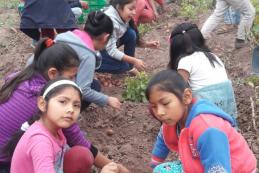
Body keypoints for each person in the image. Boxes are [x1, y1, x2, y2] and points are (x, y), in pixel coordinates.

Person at [146, 69, 257, 172]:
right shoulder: (172, 119)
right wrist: (154, 165)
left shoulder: (207, 128)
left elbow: (218, 169)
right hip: (202, 164)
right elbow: (163, 140)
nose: (160, 112)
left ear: (186, 97)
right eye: (154, 106)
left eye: (165, 103)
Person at [0, 38, 79, 172]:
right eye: (71, 77)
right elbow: (76, 137)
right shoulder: (44, 98)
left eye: (76, 105)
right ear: (52, 73)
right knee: (79, 156)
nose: (74, 82)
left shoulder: (20, 76)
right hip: (5, 163)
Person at [168, 22, 237, 119]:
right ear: (200, 40)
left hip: (205, 108)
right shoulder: (213, 56)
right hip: (226, 105)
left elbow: (179, 89)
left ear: (175, 48)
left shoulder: (185, 61)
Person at [55, 11, 122, 110]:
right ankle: (64, 118)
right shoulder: (88, 55)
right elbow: (83, 91)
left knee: (93, 83)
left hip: (35, 82)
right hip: (50, 93)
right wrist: (107, 99)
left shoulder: (66, 35)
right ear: (105, 37)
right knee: (94, 86)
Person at [96, 0, 160, 74]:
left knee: (130, 33)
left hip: (106, 45)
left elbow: (131, 35)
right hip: (97, 50)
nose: (134, 12)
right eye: (130, 9)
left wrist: (147, 44)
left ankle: (130, 67)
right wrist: (134, 60)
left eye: (134, 9)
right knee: (123, 66)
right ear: (119, 8)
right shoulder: (111, 21)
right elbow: (112, 51)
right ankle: (96, 64)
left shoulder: (121, 15)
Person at [20, 0, 88, 41]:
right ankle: (44, 42)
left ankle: (44, 42)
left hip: (35, 16)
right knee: (49, 34)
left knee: (49, 32)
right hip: (44, 13)